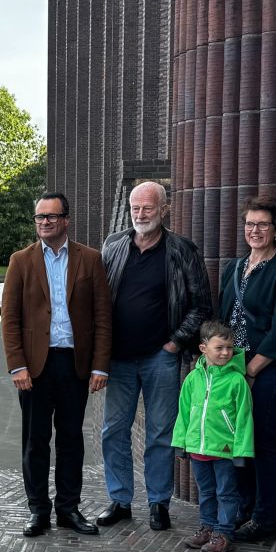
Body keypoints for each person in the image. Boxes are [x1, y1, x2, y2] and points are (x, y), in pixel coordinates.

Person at [97, 181, 213, 531]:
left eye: (148, 207)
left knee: (160, 432)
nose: (140, 214)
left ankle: (158, 503)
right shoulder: (113, 246)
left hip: (160, 358)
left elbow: (201, 305)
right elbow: (98, 300)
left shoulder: (182, 251)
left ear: (164, 210)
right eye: (135, 207)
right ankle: (120, 499)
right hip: (118, 359)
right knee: (113, 430)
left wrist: (175, 343)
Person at [1, 192, 112, 538]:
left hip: (74, 364)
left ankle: (68, 509)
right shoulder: (21, 261)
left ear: (66, 220)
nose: (44, 222)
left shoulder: (90, 259)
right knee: (35, 441)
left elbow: (102, 316)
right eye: (39, 217)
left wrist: (100, 366)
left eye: (51, 216)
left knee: (70, 440)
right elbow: (11, 319)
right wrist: (17, 365)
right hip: (35, 367)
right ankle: (38, 510)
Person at [217, 197, 276, 543]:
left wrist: (251, 370)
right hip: (231, 369)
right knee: (237, 443)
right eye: (250, 224)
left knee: (264, 444)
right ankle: (243, 509)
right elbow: (222, 317)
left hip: (265, 371)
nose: (254, 230)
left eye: (262, 224)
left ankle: (265, 519)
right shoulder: (234, 267)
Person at [173, 321, 254, 552]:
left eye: (229, 348)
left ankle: (224, 533)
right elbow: (184, 413)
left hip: (225, 450)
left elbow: (244, 419)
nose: (226, 353)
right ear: (203, 348)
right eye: (219, 348)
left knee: (226, 493)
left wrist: (242, 451)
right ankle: (208, 527)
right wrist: (181, 442)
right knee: (206, 491)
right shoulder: (192, 379)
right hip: (199, 449)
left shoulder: (237, 381)